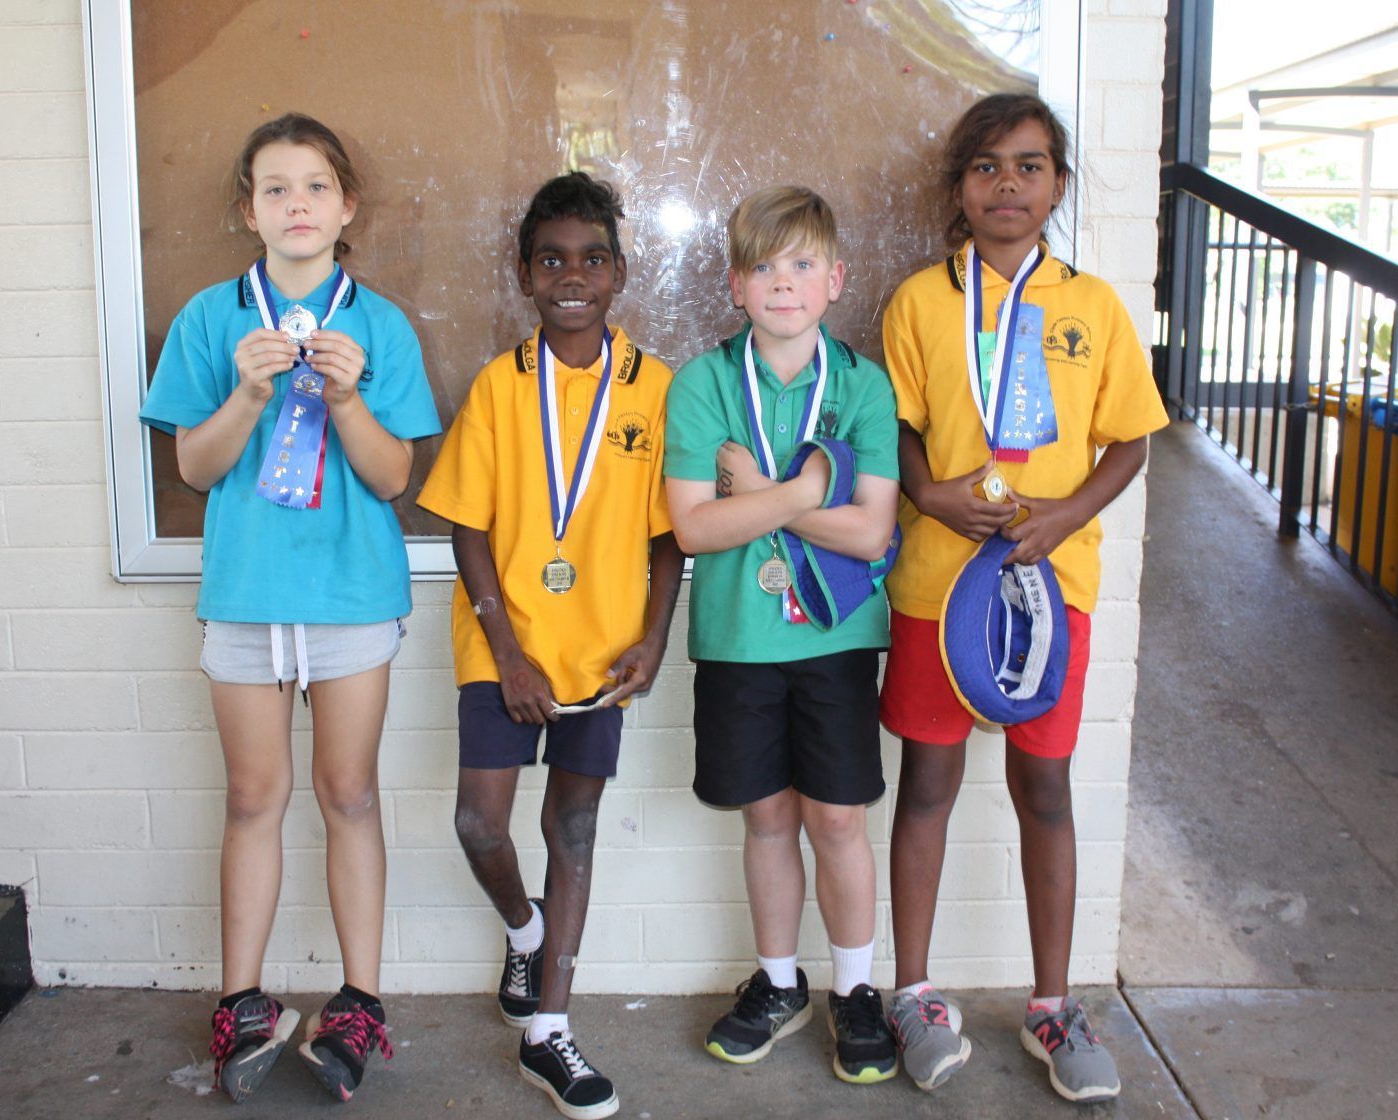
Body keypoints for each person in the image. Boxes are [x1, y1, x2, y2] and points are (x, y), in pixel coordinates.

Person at [138, 112, 441, 1103]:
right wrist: (245, 396)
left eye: (315, 186)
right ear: (248, 208)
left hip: (352, 593)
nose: (296, 203)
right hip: (246, 595)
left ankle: (359, 998)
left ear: (346, 206)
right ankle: (243, 998)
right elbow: (192, 464)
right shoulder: (208, 319)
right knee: (251, 798)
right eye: (275, 188)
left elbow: (395, 475)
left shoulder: (382, 325)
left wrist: (349, 401)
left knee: (349, 793)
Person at [877, 92, 1169, 1100]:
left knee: (1044, 788)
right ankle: (912, 990)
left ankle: (1053, 1002)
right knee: (927, 783)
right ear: (958, 188)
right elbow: (902, 428)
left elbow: (1129, 436)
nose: (1010, 184)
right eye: (988, 166)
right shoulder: (920, 302)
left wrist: (1060, 514)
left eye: (1031, 165)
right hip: (935, 587)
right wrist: (925, 489)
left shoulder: (1092, 307)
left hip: (1051, 586)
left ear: (1059, 185)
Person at [416, 171, 683, 1120]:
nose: (573, 275)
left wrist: (654, 642)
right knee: (478, 825)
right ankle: (525, 932)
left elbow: (667, 537)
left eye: (592, 259)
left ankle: (550, 1034)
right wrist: (508, 651)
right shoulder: (499, 384)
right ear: (526, 274)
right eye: (552, 260)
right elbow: (467, 528)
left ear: (619, 272)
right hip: (505, 645)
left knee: (572, 828)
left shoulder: (655, 391)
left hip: (604, 655)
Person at [664, 186, 903, 1085]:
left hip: (836, 639)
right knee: (766, 817)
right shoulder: (704, 383)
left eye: (803, 263)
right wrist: (811, 493)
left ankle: (853, 990)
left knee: (837, 818)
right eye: (763, 265)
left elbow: (873, 533)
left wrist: (764, 490)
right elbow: (694, 530)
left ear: (835, 279)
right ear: (734, 283)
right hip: (737, 641)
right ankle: (777, 982)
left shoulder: (863, 386)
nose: (783, 282)